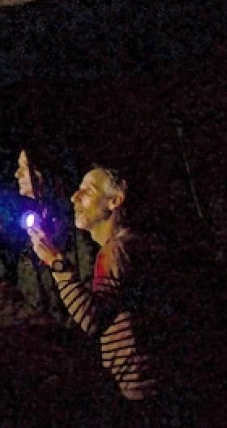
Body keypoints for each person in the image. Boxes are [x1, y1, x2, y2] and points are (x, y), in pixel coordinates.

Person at [29, 165, 162, 402]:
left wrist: (56, 263)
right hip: (153, 385)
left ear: (114, 201)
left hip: (140, 393)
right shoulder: (134, 244)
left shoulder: (116, 250)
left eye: (87, 191)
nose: (74, 197)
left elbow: (92, 320)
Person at [0, 149, 96, 327]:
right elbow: (10, 280)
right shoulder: (36, 222)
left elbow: (89, 294)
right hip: (38, 333)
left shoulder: (74, 227)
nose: (17, 174)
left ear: (45, 173)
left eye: (25, 167)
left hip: (66, 340)